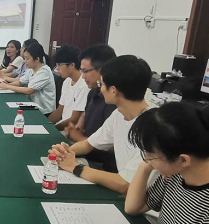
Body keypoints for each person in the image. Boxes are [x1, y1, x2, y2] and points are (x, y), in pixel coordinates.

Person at [50, 55, 152, 194]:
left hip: (140, 199)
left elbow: (125, 184)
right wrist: (64, 153)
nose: (100, 89)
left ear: (113, 90)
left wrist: (76, 167)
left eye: (102, 84)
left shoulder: (152, 127)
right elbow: (88, 144)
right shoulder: (119, 114)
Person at [65, 44, 117, 142]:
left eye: (85, 71)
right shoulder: (93, 92)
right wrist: (76, 129)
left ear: (103, 70)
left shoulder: (113, 101)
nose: (83, 76)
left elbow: (110, 146)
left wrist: (78, 138)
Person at [0, 41, 56, 115]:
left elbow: (29, 90)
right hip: (32, 105)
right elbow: (21, 82)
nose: (25, 61)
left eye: (27, 59)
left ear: (37, 59)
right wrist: (7, 85)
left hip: (44, 111)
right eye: (24, 58)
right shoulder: (31, 69)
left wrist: (7, 86)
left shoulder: (44, 72)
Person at [47, 45, 89, 130]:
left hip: (71, 130)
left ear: (72, 65)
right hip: (62, 126)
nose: (57, 69)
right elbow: (60, 110)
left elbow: (74, 119)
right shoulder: (67, 81)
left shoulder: (84, 85)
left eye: (59, 65)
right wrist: (46, 124)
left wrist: (53, 129)